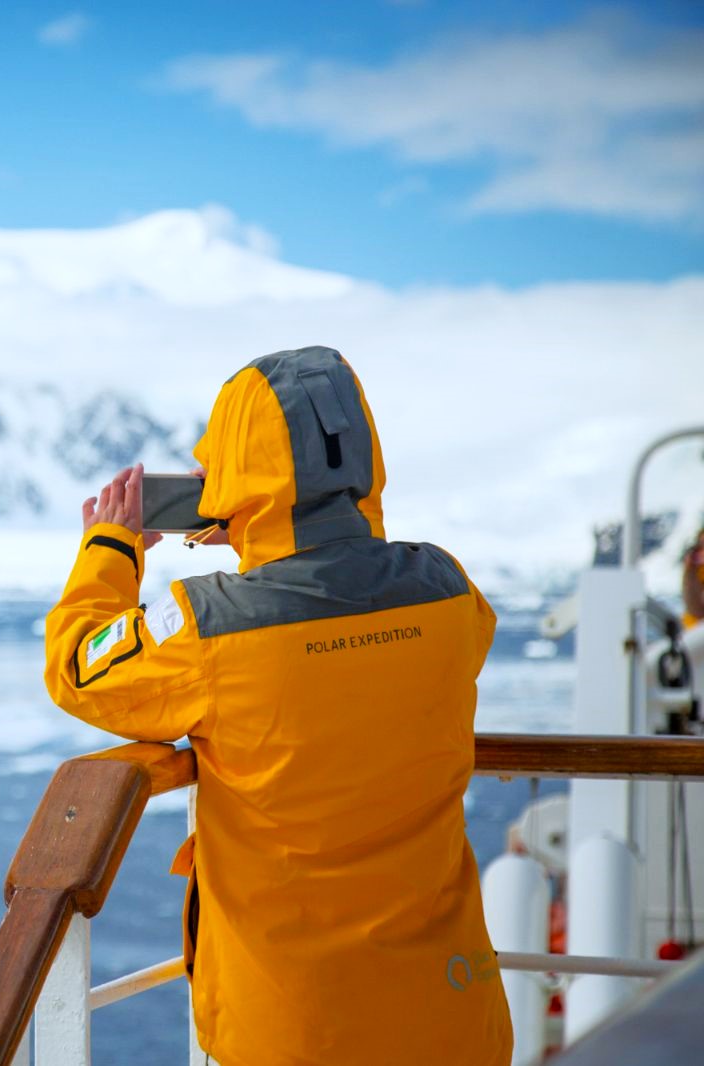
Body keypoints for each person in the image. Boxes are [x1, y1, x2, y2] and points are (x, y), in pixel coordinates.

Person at [43, 346, 511, 1066]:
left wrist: (114, 544)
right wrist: (281, 533)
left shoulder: (210, 629)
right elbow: (357, 606)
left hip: (294, 1035)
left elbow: (79, 667)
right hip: (453, 1019)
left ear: (233, 475)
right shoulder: (448, 590)